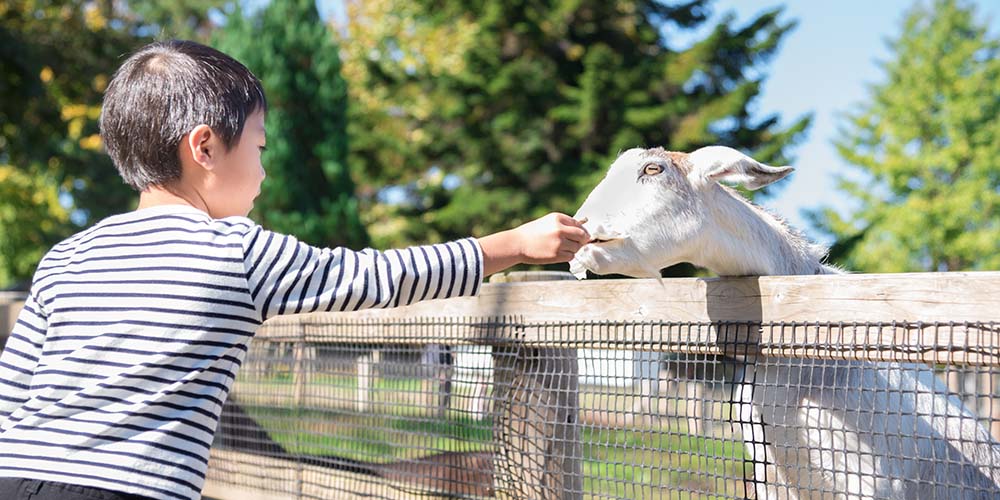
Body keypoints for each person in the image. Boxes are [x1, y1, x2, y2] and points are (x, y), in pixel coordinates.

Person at [0, 40, 589, 500]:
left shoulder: (69, 255)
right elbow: (379, 276)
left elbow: (10, 394)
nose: (263, 170)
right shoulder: (236, 251)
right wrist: (512, 244)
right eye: (259, 148)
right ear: (204, 148)